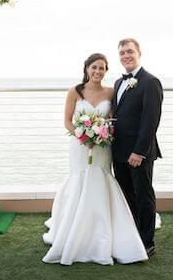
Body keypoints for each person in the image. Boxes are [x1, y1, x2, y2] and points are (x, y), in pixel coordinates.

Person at [42, 53, 148, 265]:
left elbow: (114, 120)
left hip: (102, 147)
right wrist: (83, 136)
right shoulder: (75, 91)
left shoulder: (110, 92)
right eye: (94, 67)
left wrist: (101, 134)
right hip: (80, 147)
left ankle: (103, 229)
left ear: (106, 71)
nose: (97, 71)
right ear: (87, 69)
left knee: (100, 178)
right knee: (80, 179)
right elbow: (67, 121)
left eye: (102, 68)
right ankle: (72, 229)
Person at [112, 38, 163, 258]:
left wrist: (139, 152)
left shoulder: (150, 82)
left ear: (139, 53)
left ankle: (147, 242)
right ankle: (133, 236)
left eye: (130, 52)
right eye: (122, 53)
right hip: (119, 151)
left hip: (138, 153)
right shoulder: (117, 82)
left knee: (143, 196)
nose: (126, 56)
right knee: (127, 196)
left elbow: (151, 120)